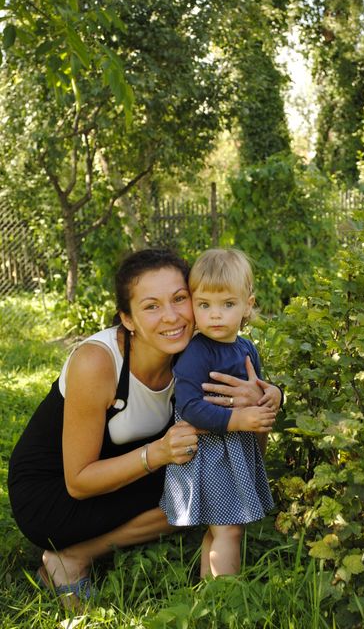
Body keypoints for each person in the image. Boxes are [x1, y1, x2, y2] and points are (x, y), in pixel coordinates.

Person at [8, 247, 282, 609]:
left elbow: (245, 444)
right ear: (128, 319)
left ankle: (80, 554)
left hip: (126, 469)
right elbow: (78, 482)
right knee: (196, 487)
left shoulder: (197, 352)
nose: (171, 316)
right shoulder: (98, 362)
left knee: (208, 485)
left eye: (179, 299)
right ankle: (72, 557)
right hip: (54, 494)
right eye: (151, 306)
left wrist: (265, 398)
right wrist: (158, 453)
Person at [160, 248, 280, 577]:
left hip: (234, 452)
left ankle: (209, 589)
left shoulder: (245, 348)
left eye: (227, 304)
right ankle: (226, 595)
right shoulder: (197, 352)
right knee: (229, 529)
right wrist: (237, 419)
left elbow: (256, 387)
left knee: (221, 529)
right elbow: (188, 407)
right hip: (209, 454)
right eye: (204, 305)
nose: (215, 315)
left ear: (247, 306)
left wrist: (274, 393)